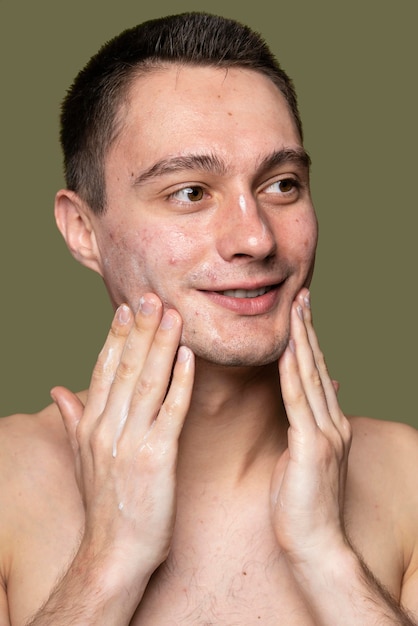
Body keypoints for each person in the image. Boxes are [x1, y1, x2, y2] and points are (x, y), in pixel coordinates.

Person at [0, 11, 417, 625]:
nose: (255, 238)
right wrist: (108, 563)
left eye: (281, 185)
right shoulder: (7, 485)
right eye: (191, 192)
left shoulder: (410, 482)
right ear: (83, 230)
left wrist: (329, 559)